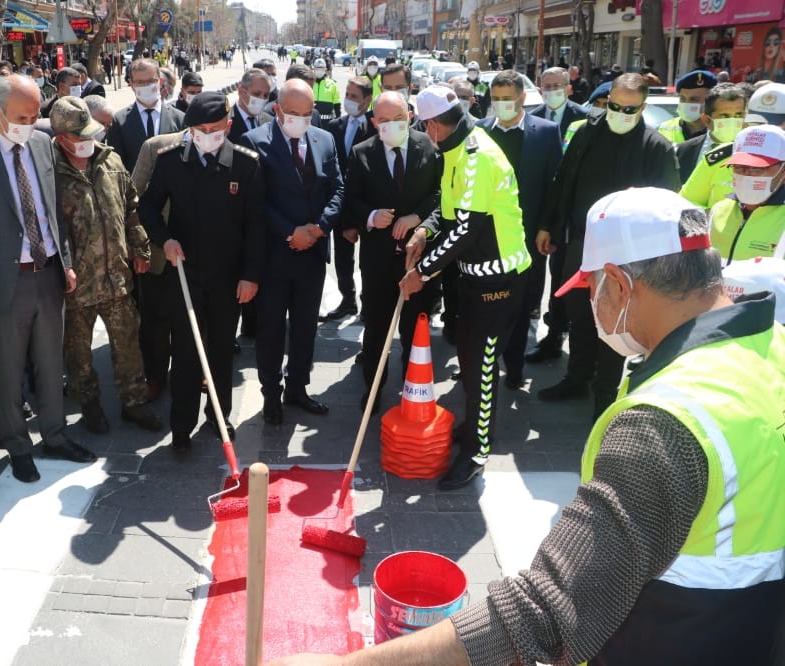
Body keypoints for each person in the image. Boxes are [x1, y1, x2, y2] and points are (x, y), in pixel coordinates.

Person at [277, 187, 785, 666]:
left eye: (592, 289)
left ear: (623, 284)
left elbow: (543, 611)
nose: (590, 306)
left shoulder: (666, 422)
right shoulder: (771, 347)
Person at [0, 75, 95, 483]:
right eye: (21, 116)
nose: (29, 122)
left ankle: (55, 435)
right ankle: (17, 444)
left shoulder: (42, 145)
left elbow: (50, 211)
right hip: (2, 283)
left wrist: (63, 260)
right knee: (9, 369)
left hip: (46, 274)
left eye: (35, 114)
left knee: (51, 363)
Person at [398, 85, 530, 490]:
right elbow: (449, 207)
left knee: (483, 366)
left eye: (424, 126)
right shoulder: (456, 149)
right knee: (471, 363)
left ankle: (476, 452)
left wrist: (423, 271)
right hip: (473, 276)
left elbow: (468, 228)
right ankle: (474, 428)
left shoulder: (477, 156)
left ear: (435, 125)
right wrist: (425, 230)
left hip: (499, 278)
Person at [536, 73, 679, 417]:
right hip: (582, 245)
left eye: (629, 108)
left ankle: (606, 394)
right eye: (614, 105)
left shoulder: (655, 146)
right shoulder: (587, 133)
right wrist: (547, 226)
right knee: (579, 315)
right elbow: (563, 181)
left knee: (614, 323)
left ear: (643, 107)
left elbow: (667, 205)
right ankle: (576, 378)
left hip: (626, 256)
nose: (619, 113)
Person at [139, 92, 264, 451]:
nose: (208, 136)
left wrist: (250, 276)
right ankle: (182, 423)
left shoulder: (246, 165)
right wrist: (165, 240)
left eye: (215, 129)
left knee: (223, 350)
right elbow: (147, 207)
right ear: (189, 130)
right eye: (199, 130)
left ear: (228, 125)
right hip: (185, 272)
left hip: (229, 276)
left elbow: (256, 226)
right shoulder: (171, 161)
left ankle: (218, 414)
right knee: (187, 350)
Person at [49, 96, 161, 435]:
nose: (90, 142)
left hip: (117, 277)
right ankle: (90, 405)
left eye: (91, 134)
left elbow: (131, 207)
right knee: (79, 353)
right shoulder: (49, 170)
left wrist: (140, 248)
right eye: (81, 137)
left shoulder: (110, 161)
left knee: (128, 344)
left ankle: (134, 402)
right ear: (61, 138)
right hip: (77, 283)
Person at [238, 79, 343, 425]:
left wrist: (319, 228)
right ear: (278, 110)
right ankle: (272, 393)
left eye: (307, 113)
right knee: (270, 329)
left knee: (305, 327)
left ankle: (298, 386)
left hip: (312, 254)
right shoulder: (254, 142)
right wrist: (290, 232)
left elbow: (338, 189)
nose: (300, 119)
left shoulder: (324, 140)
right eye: (293, 113)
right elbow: (256, 202)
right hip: (274, 256)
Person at [341, 91, 441, 413]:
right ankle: (373, 390)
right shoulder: (362, 153)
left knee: (415, 327)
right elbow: (351, 199)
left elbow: (441, 195)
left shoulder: (428, 147)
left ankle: (413, 389)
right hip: (378, 260)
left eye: (398, 119)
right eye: (383, 121)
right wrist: (370, 216)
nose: (391, 125)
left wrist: (419, 219)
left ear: (409, 116)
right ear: (374, 123)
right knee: (377, 328)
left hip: (418, 258)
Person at [477, 70, 563, 390]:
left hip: (527, 239)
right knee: (487, 304)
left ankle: (514, 367)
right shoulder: (480, 131)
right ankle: (481, 364)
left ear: (522, 98)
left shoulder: (546, 132)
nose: (501, 105)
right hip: (486, 238)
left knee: (520, 304)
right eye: (496, 99)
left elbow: (555, 186)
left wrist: (546, 228)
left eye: (507, 99)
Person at [106, 57, 186, 400]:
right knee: (150, 312)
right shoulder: (121, 123)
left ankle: (185, 369)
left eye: (150, 80)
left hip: (179, 229)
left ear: (162, 81)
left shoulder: (180, 120)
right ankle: (153, 373)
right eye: (138, 81)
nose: (146, 86)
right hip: (142, 229)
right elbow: (117, 177)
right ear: (130, 84)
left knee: (182, 308)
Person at [323, 76, 377, 323]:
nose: (348, 100)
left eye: (354, 97)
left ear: (367, 100)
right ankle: (348, 301)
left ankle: (370, 305)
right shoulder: (335, 126)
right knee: (343, 260)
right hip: (342, 208)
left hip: (369, 209)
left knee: (369, 262)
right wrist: (345, 220)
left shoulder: (376, 127)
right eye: (347, 94)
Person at [709, 124, 785, 263]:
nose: (746, 175)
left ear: (783, 171)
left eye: (757, 169)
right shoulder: (719, 210)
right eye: (739, 167)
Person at [677, 83, 748, 206]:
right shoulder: (686, 150)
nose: (732, 121)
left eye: (738, 115)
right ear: (706, 119)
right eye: (724, 116)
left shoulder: (754, 152)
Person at [657, 69, 717, 144]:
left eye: (694, 99)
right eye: (683, 98)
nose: (686, 103)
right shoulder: (665, 127)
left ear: (710, 101)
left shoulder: (720, 131)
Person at [531, 66, 588, 139]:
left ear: (568, 89)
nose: (551, 90)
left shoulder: (583, 116)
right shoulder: (532, 117)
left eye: (556, 85)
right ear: (541, 90)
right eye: (547, 86)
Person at [229, 68, 272, 145]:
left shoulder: (270, 122)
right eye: (257, 94)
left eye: (266, 95)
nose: (262, 99)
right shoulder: (225, 122)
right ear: (241, 92)